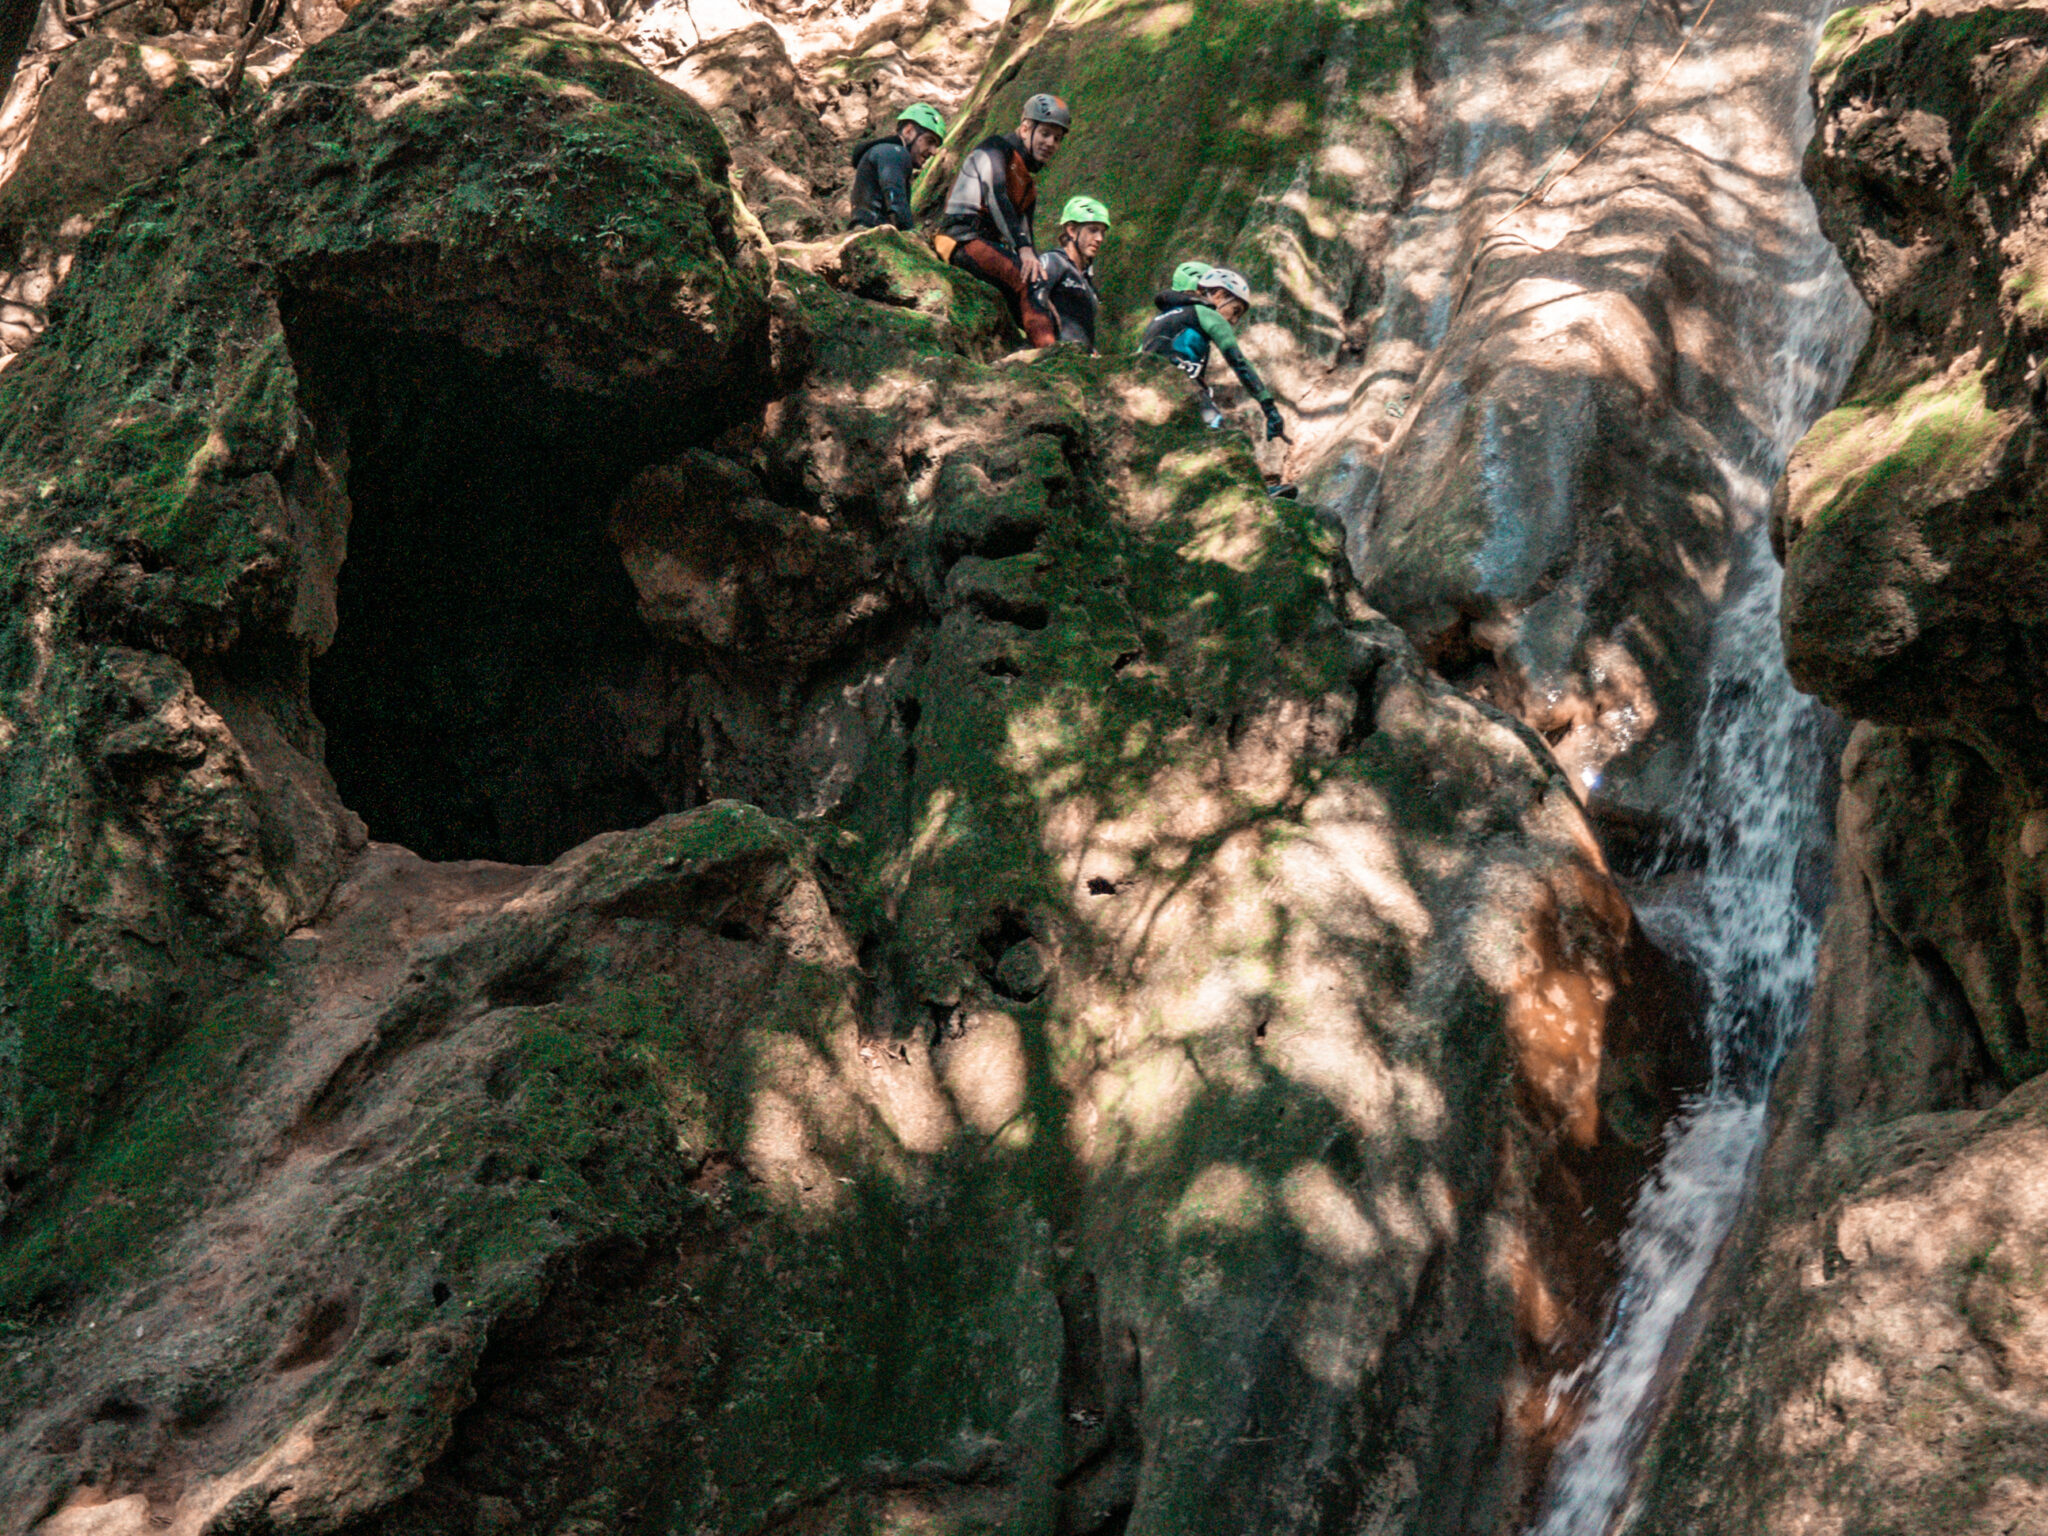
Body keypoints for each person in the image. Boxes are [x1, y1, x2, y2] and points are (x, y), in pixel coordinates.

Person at [939, 92, 1071, 348]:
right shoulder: (995, 148)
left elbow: (1028, 239)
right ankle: (1047, 356)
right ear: (1025, 128)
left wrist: (1043, 294)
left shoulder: (1029, 187)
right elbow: (996, 195)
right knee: (1031, 282)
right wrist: (1023, 250)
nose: (1051, 143)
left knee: (1039, 296)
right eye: (1045, 133)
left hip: (985, 247)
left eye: (1057, 138)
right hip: (962, 239)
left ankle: (1040, 355)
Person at [1138, 266, 1287, 440]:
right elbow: (1239, 362)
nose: (1233, 321)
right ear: (1219, 295)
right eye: (1235, 311)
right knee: (1218, 436)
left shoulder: (1161, 318)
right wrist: (1269, 406)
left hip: (1147, 389)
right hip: (1179, 387)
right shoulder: (1208, 313)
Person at [848, 104, 947, 232]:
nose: (934, 151)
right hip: (875, 238)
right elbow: (896, 205)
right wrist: (911, 236)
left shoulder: (882, 151)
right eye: (930, 141)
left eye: (936, 145)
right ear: (908, 131)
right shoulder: (895, 152)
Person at [1041, 195, 1108, 350]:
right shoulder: (1054, 261)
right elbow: (1030, 299)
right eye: (1093, 230)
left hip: (1080, 362)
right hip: (1054, 360)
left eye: (1103, 232)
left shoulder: (1086, 279)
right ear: (1071, 230)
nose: (1099, 238)